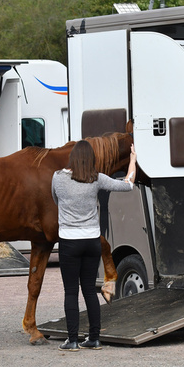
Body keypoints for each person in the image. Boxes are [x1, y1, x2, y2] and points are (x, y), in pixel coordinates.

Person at [51, 140, 137, 351]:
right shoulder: (96, 178)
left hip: (69, 241)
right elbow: (127, 185)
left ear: (72, 157)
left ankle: (72, 341)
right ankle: (94, 339)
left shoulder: (58, 178)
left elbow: (55, 200)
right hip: (91, 240)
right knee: (89, 290)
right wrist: (133, 159)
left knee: (71, 291)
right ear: (91, 159)